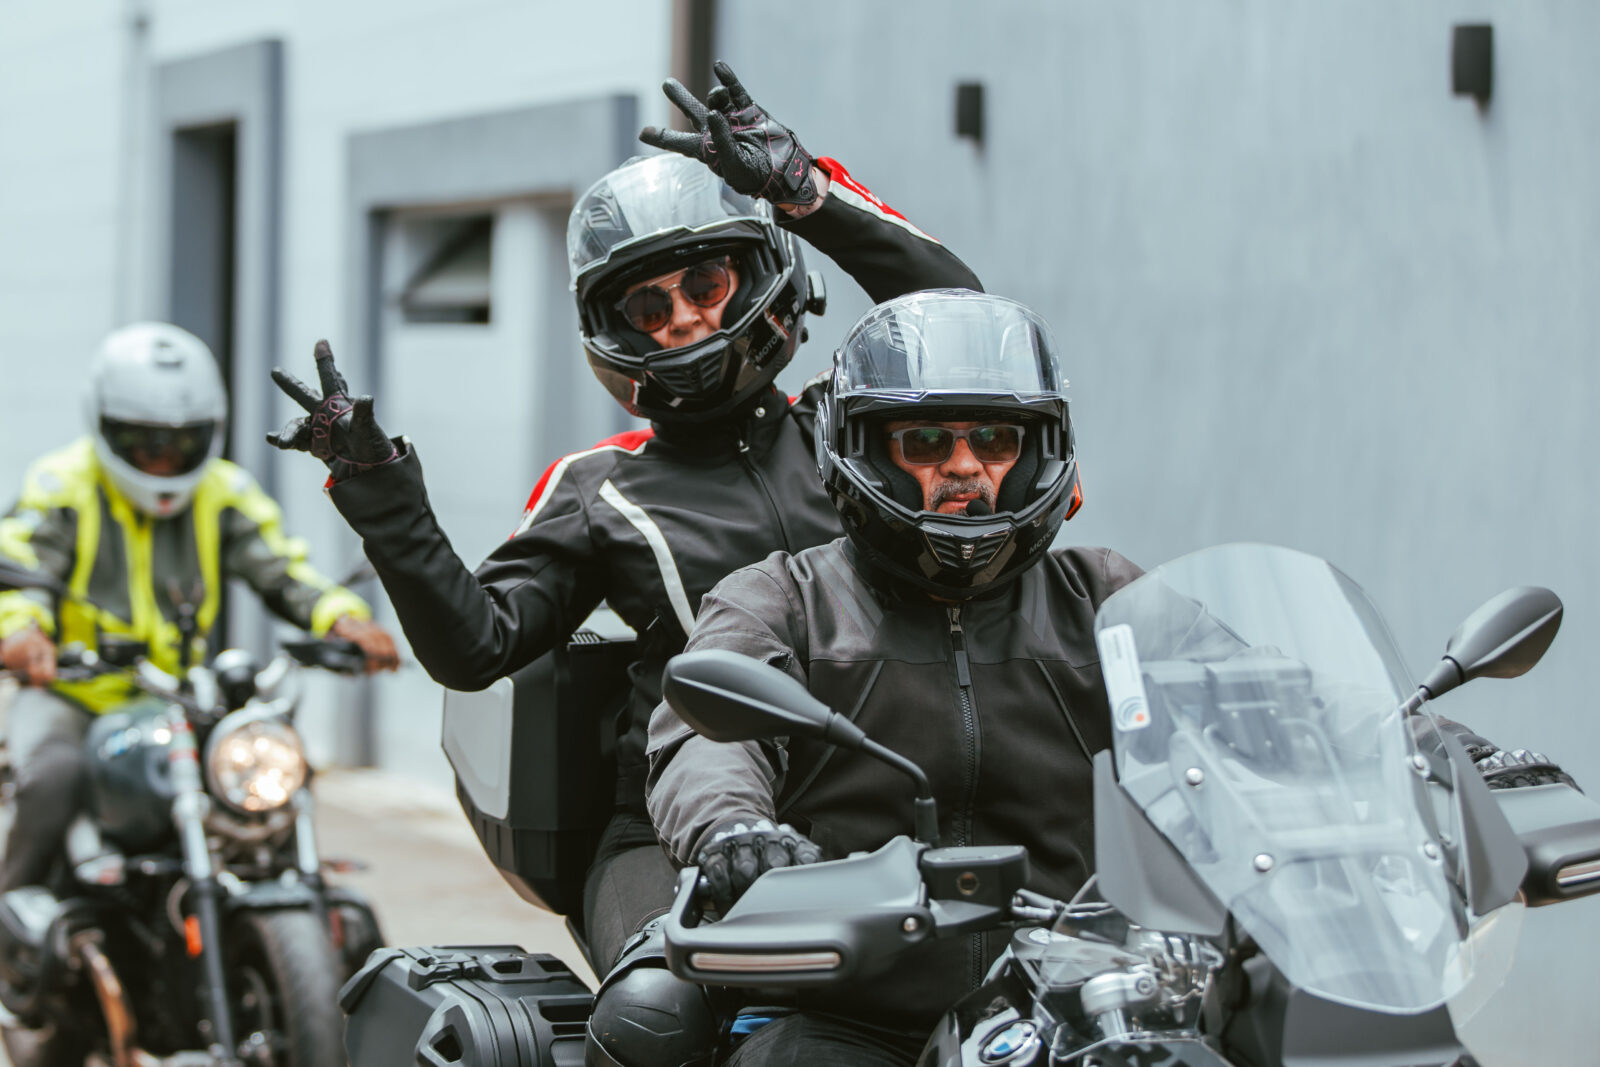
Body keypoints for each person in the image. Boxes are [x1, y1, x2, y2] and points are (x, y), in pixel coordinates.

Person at [645, 289, 1577, 1065]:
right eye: (924, 441)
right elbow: (707, 736)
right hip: (852, 1006)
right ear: (861, 448)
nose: (966, 468)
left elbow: (1285, 702)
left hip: (1089, 994)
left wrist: (1451, 755)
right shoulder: (784, 598)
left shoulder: (1103, 595)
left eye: (996, 440)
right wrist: (736, 832)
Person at [265, 59, 981, 1027]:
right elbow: (476, 645)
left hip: (887, 796)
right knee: (655, 1016)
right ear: (617, 333)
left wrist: (805, 192)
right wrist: (378, 487)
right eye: (649, 306)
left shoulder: (854, 428)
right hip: (669, 827)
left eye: (706, 282)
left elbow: (955, 320)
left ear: (755, 278)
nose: (685, 317)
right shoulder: (598, 485)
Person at [0, 322, 397, 892]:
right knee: (50, 778)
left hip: (179, 697)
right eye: (144, 442)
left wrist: (340, 616)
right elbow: (24, 564)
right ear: (105, 425)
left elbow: (280, 567)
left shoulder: (224, 491)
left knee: (271, 773)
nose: (163, 461)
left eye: (181, 443)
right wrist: (24, 631)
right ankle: (15, 918)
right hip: (74, 693)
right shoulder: (61, 485)